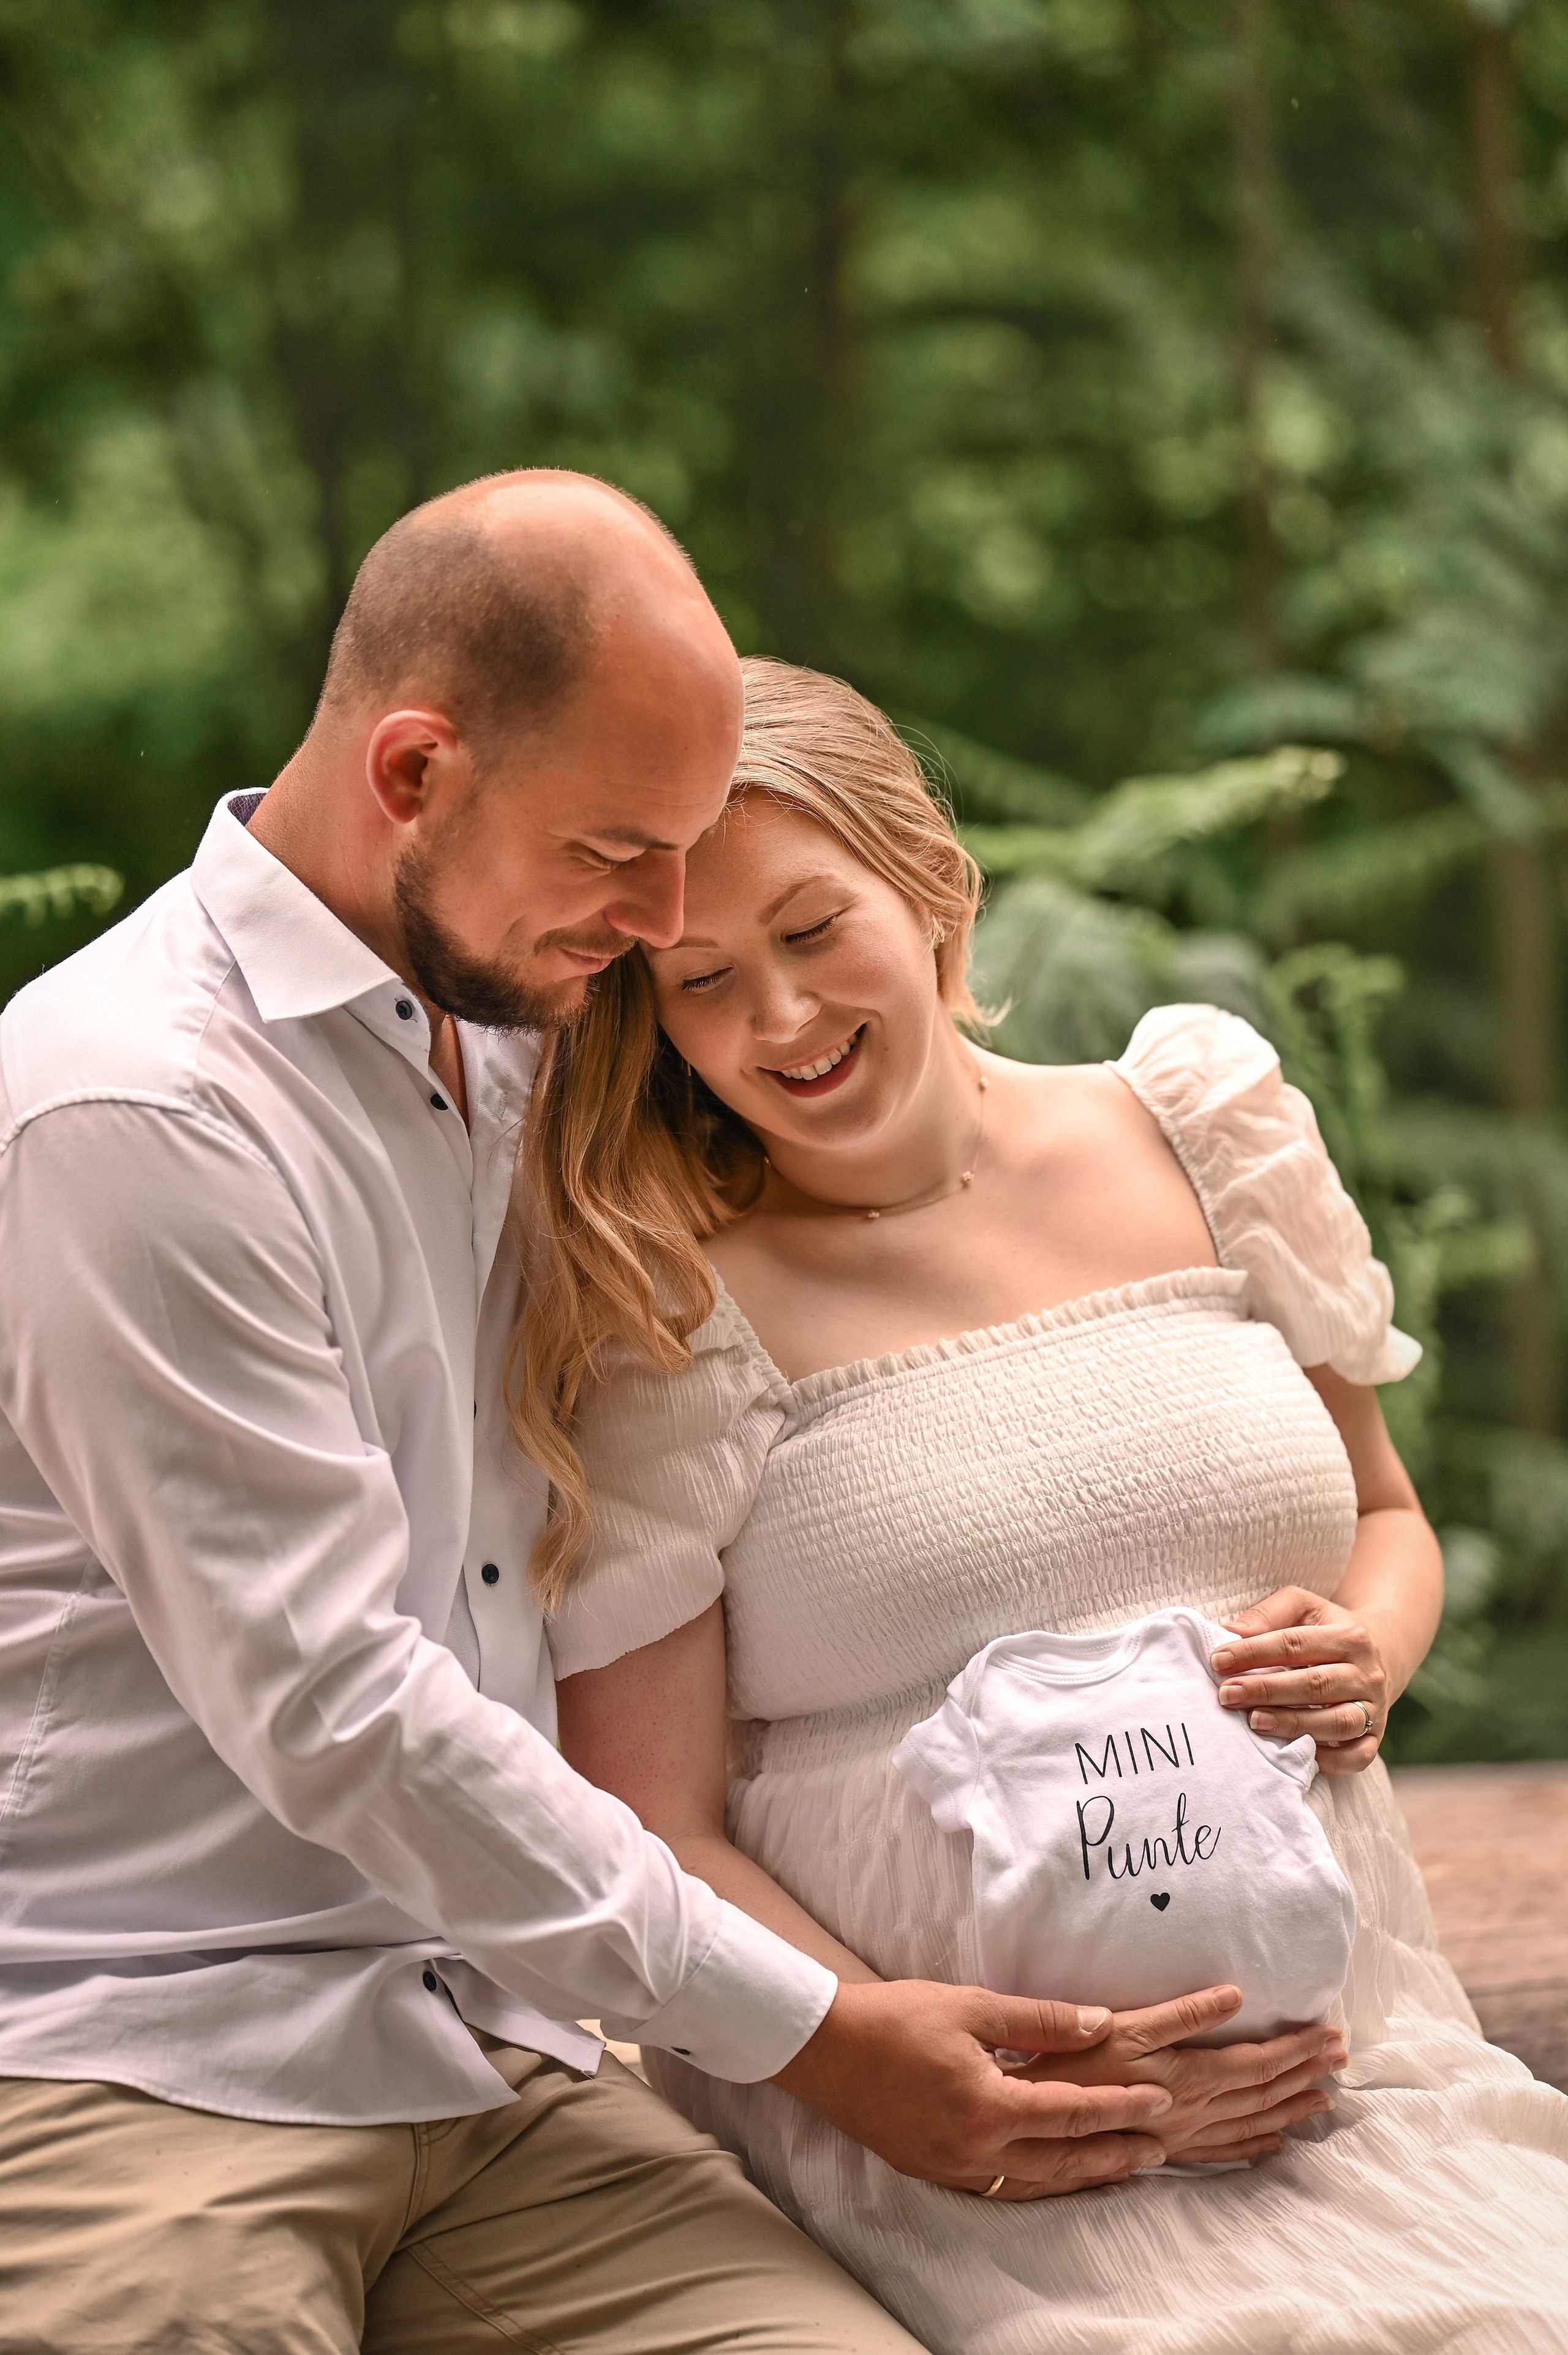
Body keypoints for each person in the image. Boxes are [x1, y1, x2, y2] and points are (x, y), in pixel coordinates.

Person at [0, 475, 1324, 2355]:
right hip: (138, 2060)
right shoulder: (137, 1112)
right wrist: (819, 2029)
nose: (665, 916)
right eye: (622, 849)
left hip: (497, 2057)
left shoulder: (543, 1028)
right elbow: (338, 1711)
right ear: (413, 773)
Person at [525, 656, 1568, 2355]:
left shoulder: (1205, 1122)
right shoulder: (666, 1311)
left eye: (811, 929)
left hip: (1360, 2069)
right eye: (702, 980)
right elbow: (655, 1821)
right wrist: (901, 2064)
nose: (777, 1019)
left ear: (927, 878)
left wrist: (1370, 1648)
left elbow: (1389, 1516)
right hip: (962, 2154)